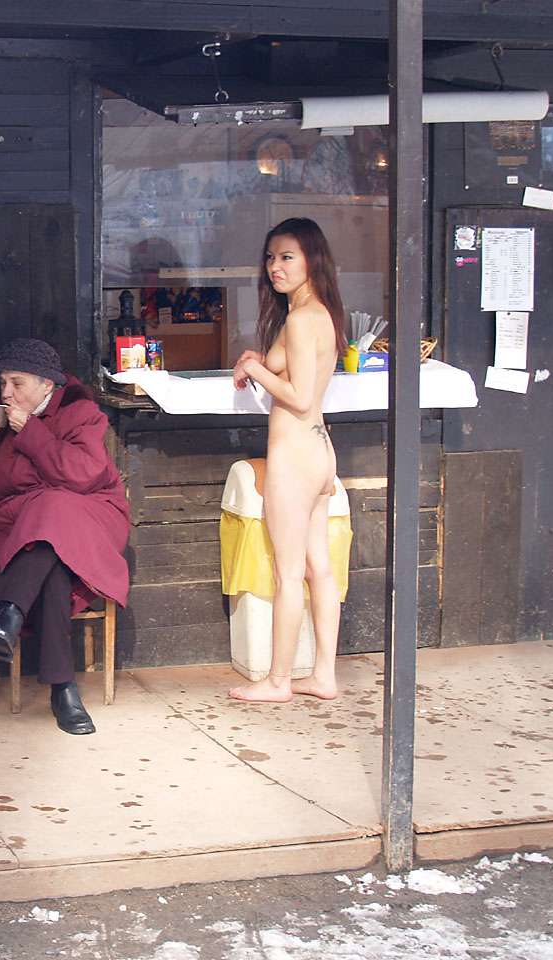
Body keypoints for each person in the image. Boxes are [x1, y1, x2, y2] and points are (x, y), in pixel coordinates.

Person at [0, 338, 130, 735]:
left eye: (17, 383)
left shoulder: (81, 414)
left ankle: (10, 611)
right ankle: (63, 688)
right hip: (14, 528)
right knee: (52, 559)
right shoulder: (0, 422)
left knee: (53, 507)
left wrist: (31, 432)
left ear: (47, 384)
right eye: (3, 383)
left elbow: (81, 475)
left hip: (87, 519)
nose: (6, 393)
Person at [228, 217, 344, 703]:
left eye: (287, 257)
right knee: (320, 568)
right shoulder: (316, 313)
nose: (275, 266)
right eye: (271, 257)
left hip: (295, 456)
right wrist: (255, 359)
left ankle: (278, 680)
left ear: (312, 259)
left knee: (289, 573)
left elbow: (296, 395)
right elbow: (280, 364)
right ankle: (323, 676)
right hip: (320, 453)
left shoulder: (300, 318)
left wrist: (253, 369)